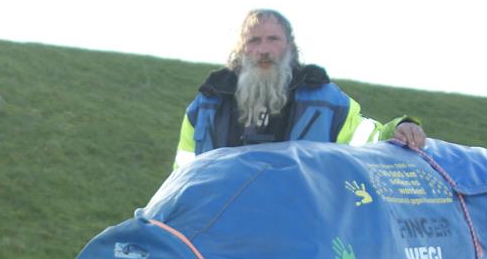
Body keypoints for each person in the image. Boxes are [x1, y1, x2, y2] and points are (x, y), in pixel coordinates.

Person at [174, 9, 426, 170]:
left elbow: (370, 139)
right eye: (254, 40)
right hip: (222, 237)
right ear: (242, 48)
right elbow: (182, 175)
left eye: (273, 39)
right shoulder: (207, 105)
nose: (264, 49)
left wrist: (400, 127)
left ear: (289, 46)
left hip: (301, 235)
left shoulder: (325, 100)